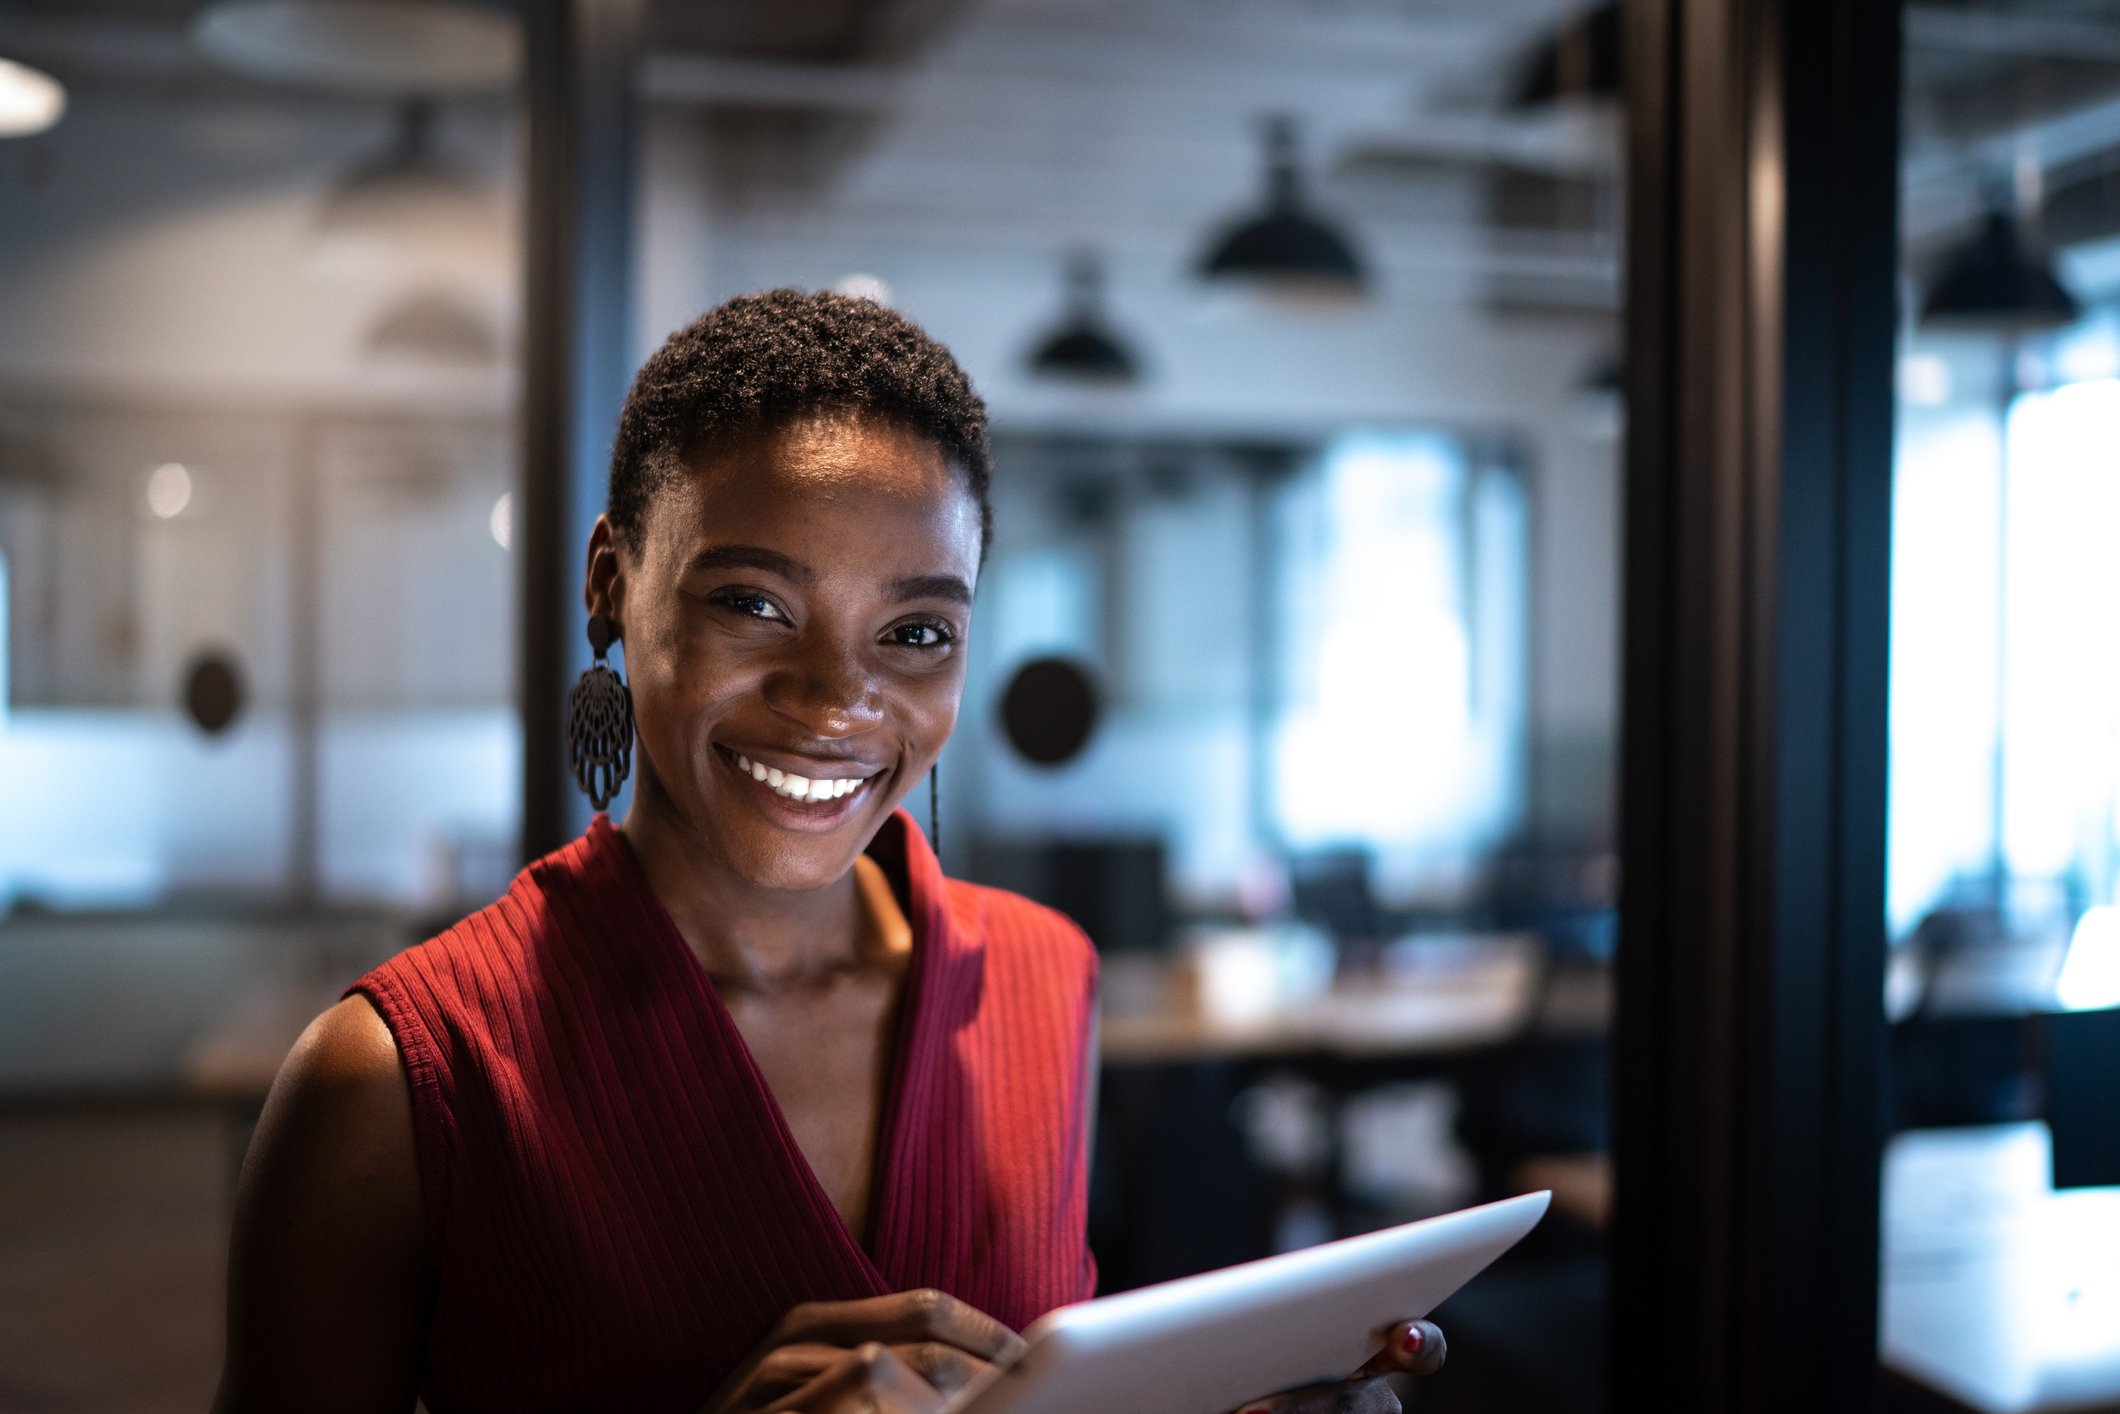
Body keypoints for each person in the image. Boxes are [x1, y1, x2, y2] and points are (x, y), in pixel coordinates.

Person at [212, 289, 1446, 1414]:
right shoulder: (394, 1079)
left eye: (914, 629)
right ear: (610, 582)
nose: (837, 699)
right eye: (752, 603)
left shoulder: (1038, 976)